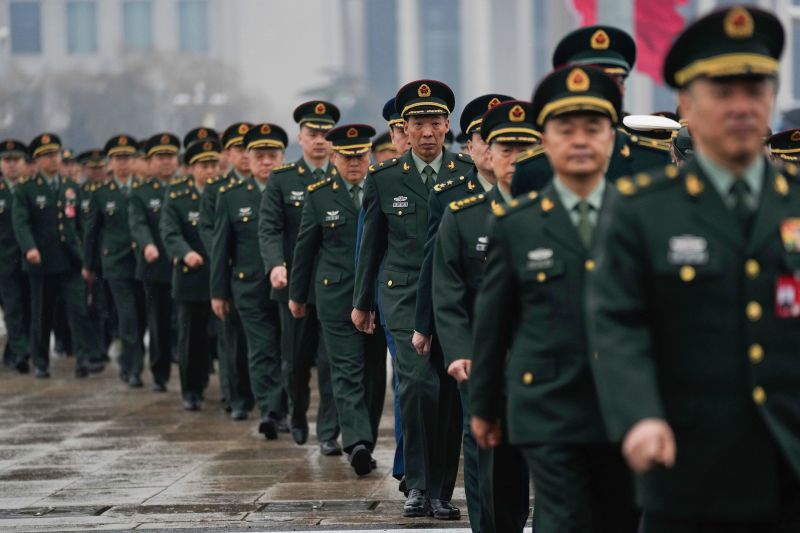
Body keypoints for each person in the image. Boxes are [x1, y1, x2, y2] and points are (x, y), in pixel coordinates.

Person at [588, 6, 800, 532]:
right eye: (722, 92)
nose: (741, 107)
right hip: (684, 465)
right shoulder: (643, 210)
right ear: (687, 103)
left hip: (789, 464)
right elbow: (618, 325)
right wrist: (638, 416)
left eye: (754, 90)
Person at [353, 80, 471, 519]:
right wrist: (361, 302)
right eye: (418, 123)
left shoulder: (466, 174)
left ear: (446, 127)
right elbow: (371, 246)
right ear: (404, 128)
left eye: (435, 123)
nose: (426, 132)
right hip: (401, 294)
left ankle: (442, 489)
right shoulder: (384, 179)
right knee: (418, 383)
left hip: (452, 296)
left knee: (447, 386)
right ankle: (417, 486)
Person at [434, 100, 538, 532]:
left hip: (549, 361)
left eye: (526, 148)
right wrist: (459, 351)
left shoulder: (559, 214)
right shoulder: (464, 217)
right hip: (487, 360)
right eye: (506, 148)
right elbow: (447, 291)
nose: (515, 159)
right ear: (488, 154)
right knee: (493, 468)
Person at [290, 123, 387, 476]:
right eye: (346, 157)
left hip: (377, 296)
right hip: (335, 296)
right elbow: (305, 249)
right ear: (333, 157)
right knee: (347, 370)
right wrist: (297, 296)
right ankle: (357, 442)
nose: (354, 163)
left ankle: (367, 438)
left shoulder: (382, 187)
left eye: (360, 156)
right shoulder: (319, 194)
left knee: (375, 374)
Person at [258, 101, 340, 453]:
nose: (319, 140)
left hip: (336, 286)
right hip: (296, 285)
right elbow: (270, 228)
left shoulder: (345, 174)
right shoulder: (283, 178)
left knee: (331, 360)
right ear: (300, 137)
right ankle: (297, 412)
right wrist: (275, 264)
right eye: (313, 134)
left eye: (325, 134)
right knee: (296, 361)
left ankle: (328, 432)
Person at [210, 123, 289, 440]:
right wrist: (218, 292)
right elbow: (221, 247)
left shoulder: (294, 191)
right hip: (248, 286)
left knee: (288, 350)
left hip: (287, 284)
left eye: (273, 156)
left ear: (282, 157)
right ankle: (271, 409)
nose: (266, 162)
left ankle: (287, 405)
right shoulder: (230, 196)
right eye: (260, 156)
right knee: (261, 349)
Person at [13, 133, 104, 378]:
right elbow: (21, 224)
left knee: (78, 310)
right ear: (37, 160)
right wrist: (29, 248)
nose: (52, 160)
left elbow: (83, 225)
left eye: (54, 154)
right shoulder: (27, 189)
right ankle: (41, 361)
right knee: (41, 314)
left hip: (70, 260)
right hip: (41, 262)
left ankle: (83, 358)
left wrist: (86, 257)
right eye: (46, 156)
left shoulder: (70, 188)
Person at [83, 135, 147, 387]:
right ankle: (133, 369)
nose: (123, 163)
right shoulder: (101, 194)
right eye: (118, 158)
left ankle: (130, 359)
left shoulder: (143, 190)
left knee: (141, 316)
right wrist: (88, 265)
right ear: (110, 162)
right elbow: (91, 232)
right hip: (116, 263)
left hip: (143, 262)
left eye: (127, 158)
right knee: (127, 316)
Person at [161, 138, 220, 411]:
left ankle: (229, 389)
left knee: (224, 336)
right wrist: (185, 253)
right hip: (192, 276)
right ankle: (191, 389)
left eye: (213, 164)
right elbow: (170, 232)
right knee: (191, 337)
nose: (210, 170)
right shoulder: (177, 196)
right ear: (192, 168)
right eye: (204, 165)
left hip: (220, 275)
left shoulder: (225, 192)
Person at [129, 132, 181, 391]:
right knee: (158, 322)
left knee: (187, 322)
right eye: (161, 156)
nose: (166, 161)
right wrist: (147, 245)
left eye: (170, 155)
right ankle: (160, 374)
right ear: (150, 161)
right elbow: (138, 223)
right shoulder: (141, 192)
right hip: (155, 267)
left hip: (186, 266)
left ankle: (196, 372)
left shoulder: (187, 187)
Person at [0, 139, 31, 373]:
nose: (11, 165)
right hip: (3, 260)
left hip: (30, 259)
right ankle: (20, 352)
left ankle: (15, 348)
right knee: (12, 308)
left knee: (29, 307)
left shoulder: (32, 189)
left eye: (16, 160)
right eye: (6, 160)